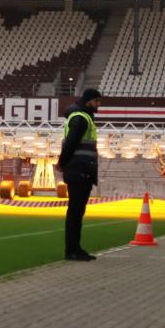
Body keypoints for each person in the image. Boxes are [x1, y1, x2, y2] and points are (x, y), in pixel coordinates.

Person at [57, 88, 102, 261]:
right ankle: (72, 250)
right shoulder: (81, 119)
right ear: (89, 100)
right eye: (96, 101)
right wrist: (61, 163)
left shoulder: (83, 117)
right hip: (79, 170)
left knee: (77, 212)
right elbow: (70, 144)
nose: (98, 105)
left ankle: (76, 248)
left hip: (81, 169)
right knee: (75, 212)